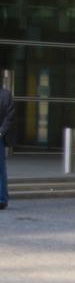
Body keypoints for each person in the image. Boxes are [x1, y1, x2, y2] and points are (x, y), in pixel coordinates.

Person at [0, 82, 12, 210]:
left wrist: (1, 132)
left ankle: (1, 199)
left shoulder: (6, 95)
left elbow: (9, 116)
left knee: (0, 169)